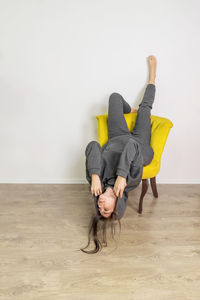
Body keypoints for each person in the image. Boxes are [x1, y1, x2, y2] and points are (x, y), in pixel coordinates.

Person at [80, 55, 157, 254]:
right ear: (118, 205)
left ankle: (129, 109)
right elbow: (132, 147)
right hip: (139, 143)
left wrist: (95, 175)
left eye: (99, 209)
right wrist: (122, 176)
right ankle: (153, 76)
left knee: (114, 97)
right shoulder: (130, 182)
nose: (101, 206)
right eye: (106, 209)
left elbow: (93, 146)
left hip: (115, 138)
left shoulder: (95, 181)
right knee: (144, 110)